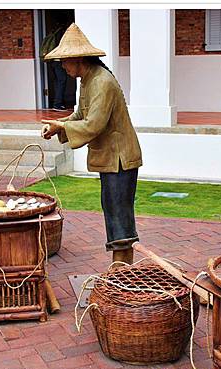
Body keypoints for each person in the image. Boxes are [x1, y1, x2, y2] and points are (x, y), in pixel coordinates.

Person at [40, 23, 143, 264]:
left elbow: (94, 124)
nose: (63, 67)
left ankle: (121, 272)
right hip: (111, 159)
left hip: (120, 160)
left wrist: (62, 127)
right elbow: (80, 115)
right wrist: (59, 125)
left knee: (119, 219)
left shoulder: (101, 81)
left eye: (65, 61)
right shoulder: (87, 79)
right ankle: (121, 271)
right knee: (114, 214)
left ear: (79, 59)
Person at [40, 22, 68, 111]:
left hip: (52, 61)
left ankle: (57, 103)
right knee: (62, 80)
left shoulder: (53, 31)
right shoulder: (61, 33)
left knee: (57, 82)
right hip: (58, 61)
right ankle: (58, 104)